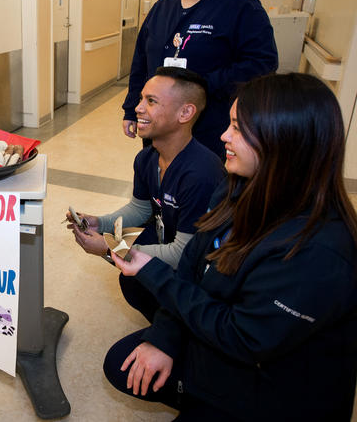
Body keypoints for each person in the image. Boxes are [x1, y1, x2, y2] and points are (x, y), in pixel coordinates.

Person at [104, 73, 357, 421]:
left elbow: (242, 337)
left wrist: (153, 272)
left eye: (237, 127)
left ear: (283, 140)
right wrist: (164, 337)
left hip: (269, 384)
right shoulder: (235, 186)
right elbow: (193, 262)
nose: (223, 135)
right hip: (226, 335)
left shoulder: (320, 252)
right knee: (124, 362)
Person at [68, 67, 223, 321]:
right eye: (141, 99)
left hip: (199, 262)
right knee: (126, 266)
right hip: (171, 235)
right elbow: (140, 208)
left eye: (151, 101)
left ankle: (182, 330)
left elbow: (182, 253)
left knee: (128, 264)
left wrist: (109, 249)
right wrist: (100, 222)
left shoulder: (201, 173)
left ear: (185, 113)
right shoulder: (146, 158)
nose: (138, 108)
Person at [121, 0, 277, 157]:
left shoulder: (240, 7)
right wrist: (132, 109)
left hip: (208, 124)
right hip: (158, 124)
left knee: (199, 183)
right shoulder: (162, 7)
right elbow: (141, 62)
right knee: (158, 178)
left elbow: (261, 65)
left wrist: (201, 84)